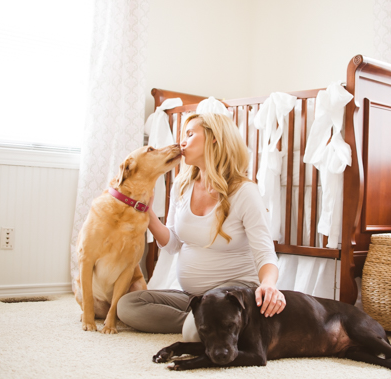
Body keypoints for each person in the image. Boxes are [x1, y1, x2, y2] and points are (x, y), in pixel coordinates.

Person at [117, 113, 285, 338]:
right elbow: (173, 243)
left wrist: (269, 284)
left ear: (214, 137)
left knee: (190, 335)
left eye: (189, 134)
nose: (182, 142)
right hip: (192, 297)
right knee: (128, 305)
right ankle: (209, 320)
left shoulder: (244, 192)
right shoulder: (182, 185)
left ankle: (211, 321)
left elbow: (265, 253)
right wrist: (147, 213)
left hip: (234, 292)